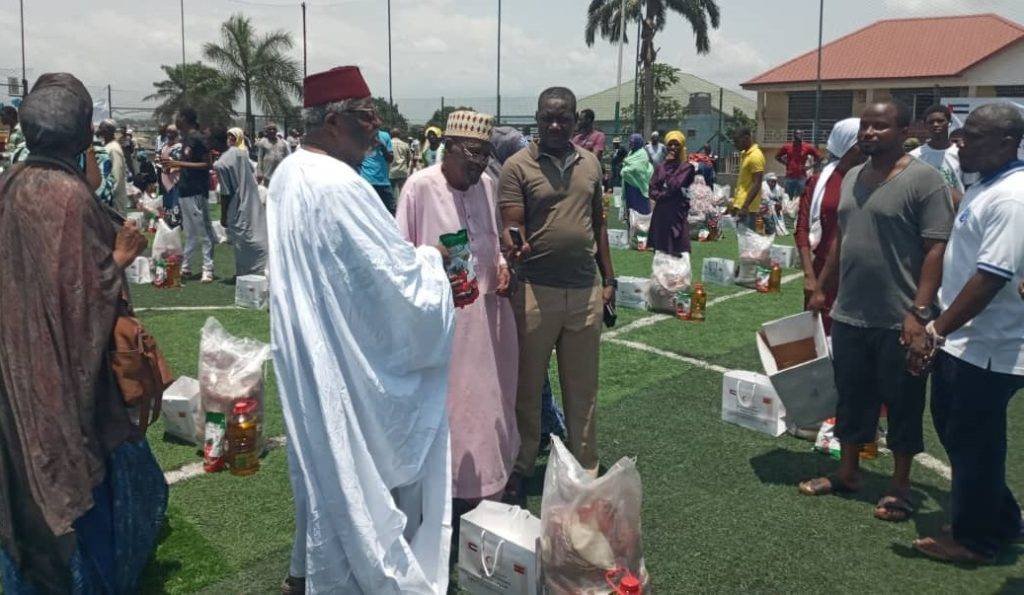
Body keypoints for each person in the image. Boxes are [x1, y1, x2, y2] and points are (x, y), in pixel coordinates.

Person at [268, 66, 456, 594]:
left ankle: (304, 574)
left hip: (309, 346)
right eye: (366, 117)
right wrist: (433, 260)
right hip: (341, 360)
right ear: (333, 122)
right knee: (351, 473)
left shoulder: (288, 172)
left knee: (320, 469)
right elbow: (393, 282)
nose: (376, 128)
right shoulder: (339, 185)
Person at [0, 72, 166, 595]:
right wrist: (121, 257)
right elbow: (83, 296)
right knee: (75, 474)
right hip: (65, 370)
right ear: (80, 134)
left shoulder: (12, 183)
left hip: (17, 358)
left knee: (24, 474)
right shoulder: (69, 197)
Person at [801, 101, 954, 523]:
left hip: (899, 317)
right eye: (865, 126)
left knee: (903, 402)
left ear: (904, 131)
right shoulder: (853, 176)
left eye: (880, 126)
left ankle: (900, 486)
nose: (869, 133)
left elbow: (936, 248)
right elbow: (842, 238)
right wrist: (822, 286)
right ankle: (848, 472)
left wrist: (919, 311)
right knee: (851, 395)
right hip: (850, 312)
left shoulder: (925, 181)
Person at [909, 104, 1024, 564]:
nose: (961, 143)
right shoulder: (986, 184)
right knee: (958, 431)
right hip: (967, 340)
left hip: (989, 345)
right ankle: (1002, 519)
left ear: (1006, 142)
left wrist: (936, 329)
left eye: (973, 136)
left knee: (974, 440)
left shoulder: (1012, 198)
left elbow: (990, 278)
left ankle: (976, 540)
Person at [398, 109, 519, 512]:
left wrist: (502, 265)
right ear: (448, 148)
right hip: (442, 327)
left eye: (485, 154)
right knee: (452, 406)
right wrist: (433, 262)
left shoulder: (486, 184)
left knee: (490, 403)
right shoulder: (419, 187)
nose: (480, 164)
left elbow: (493, 242)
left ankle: (487, 484)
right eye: (472, 154)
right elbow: (401, 258)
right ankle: (445, 492)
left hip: (489, 318)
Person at [499, 87, 616, 501]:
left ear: (574, 120)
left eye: (563, 118)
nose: (554, 124)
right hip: (535, 291)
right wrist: (515, 243)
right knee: (526, 389)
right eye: (547, 117)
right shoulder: (517, 166)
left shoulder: (591, 163)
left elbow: (598, 223)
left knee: (583, 391)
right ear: (536, 118)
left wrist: (609, 279)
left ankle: (585, 469)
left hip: (584, 292)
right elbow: (512, 222)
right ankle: (521, 465)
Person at [486, 126, 569, 449]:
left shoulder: (511, 177)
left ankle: (546, 426)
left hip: (522, 278)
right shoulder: (489, 181)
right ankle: (539, 427)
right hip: (503, 281)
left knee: (529, 358)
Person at [795, 117, 864, 334]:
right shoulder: (820, 182)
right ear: (847, 145)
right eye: (860, 140)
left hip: (861, 273)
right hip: (824, 273)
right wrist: (809, 276)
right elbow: (802, 229)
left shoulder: (873, 179)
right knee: (820, 336)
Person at [160, 107, 217, 283]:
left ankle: (208, 268)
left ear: (185, 119)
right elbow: (187, 163)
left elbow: (206, 164)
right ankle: (185, 266)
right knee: (190, 232)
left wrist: (178, 163)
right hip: (184, 190)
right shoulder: (185, 139)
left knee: (204, 231)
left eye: (178, 117)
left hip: (197, 190)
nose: (176, 121)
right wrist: (174, 165)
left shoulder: (199, 138)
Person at [210, 125, 267, 277]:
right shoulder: (241, 153)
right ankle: (256, 269)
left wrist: (223, 216)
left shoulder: (223, 163)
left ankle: (246, 272)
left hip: (237, 203)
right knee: (255, 234)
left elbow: (225, 193)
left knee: (243, 240)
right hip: (251, 200)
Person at [648, 130, 695, 257]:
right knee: (660, 251)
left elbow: (674, 185)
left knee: (677, 251)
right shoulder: (660, 167)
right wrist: (660, 195)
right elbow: (652, 188)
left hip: (677, 214)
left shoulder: (687, 168)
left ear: (682, 147)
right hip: (661, 214)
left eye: (676, 144)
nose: (673, 147)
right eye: (670, 144)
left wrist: (662, 193)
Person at [910, 104, 965, 207]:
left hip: (957, 210)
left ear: (949, 123)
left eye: (940, 121)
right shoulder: (914, 156)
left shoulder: (961, 153)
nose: (935, 124)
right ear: (925, 125)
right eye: (931, 122)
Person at [729, 127, 765, 228]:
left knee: (747, 237)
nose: (735, 144)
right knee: (741, 237)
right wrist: (735, 204)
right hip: (740, 204)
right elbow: (743, 183)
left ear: (746, 138)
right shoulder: (744, 154)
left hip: (748, 207)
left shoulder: (755, 156)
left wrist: (745, 206)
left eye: (737, 141)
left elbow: (757, 183)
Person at [775, 129, 821, 198]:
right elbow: (777, 157)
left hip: (801, 177)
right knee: (788, 199)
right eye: (797, 134)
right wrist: (786, 164)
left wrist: (810, 166)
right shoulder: (787, 146)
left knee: (802, 198)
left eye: (801, 134)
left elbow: (819, 157)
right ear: (794, 135)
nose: (799, 135)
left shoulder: (807, 146)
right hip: (790, 176)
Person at [96, 118, 128, 214]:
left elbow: (116, 175)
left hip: (114, 201)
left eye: (103, 130)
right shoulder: (106, 146)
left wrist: (109, 196)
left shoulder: (113, 149)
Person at [361, 126, 396, 214]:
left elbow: (390, 159)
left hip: (383, 182)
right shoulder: (360, 135)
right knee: (367, 212)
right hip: (366, 182)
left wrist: (382, 146)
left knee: (391, 212)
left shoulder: (385, 136)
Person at [621, 133, 654, 219]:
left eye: (632, 142)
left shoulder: (642, 154)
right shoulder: (631, 153)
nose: (630, 143)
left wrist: (626, 169)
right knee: (630, 212)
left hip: (638, 188)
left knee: (640, 212)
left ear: (638, 142)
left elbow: (638, 168)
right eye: (630, 141)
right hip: (630, 187)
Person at [390, 127, 411, 197]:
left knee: (391, 192)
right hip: (402, 170)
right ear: (399, 135)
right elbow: (409, 158)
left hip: (391, 171)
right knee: (402, 192)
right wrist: (406, 166)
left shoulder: (388, 143)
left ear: (391, 134)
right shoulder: (405, 144)